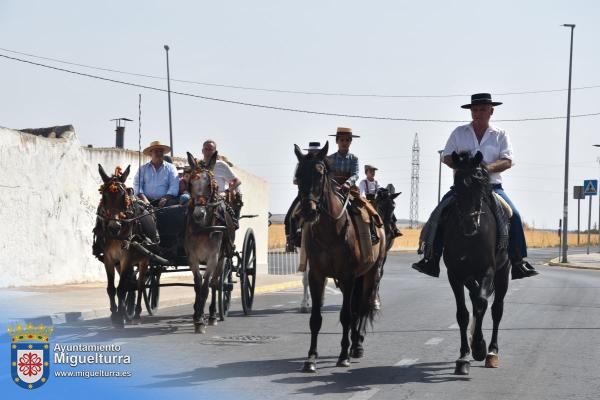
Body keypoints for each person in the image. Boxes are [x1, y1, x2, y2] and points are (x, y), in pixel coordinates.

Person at [412, 93, 538, 280]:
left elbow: (507, 161)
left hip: (491, 187)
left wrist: (485, 168)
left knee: (515, 215)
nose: (478, 113)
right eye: (475, 110)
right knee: (438, 213)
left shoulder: (500, 135)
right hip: (463, 188)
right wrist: (464, 167)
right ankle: (432, 258)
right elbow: (446, 156)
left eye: (482, 109)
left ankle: (518, 261)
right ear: (471, 112)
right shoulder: (459, 132)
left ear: (491, 111)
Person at [285, 142, 323, 251]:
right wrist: (304, 181)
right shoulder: (301, 163)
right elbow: (294, 180)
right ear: (308, 151)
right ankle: (291, 241)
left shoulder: (322, 163)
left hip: (318, 193)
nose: (314, 153)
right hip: (304, 194)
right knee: (290, 217)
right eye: (312, 151)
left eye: (316, 151)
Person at [200, 139, 243, 223]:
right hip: (203, 199)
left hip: (219, 197)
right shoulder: (199, 166)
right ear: (202, 151)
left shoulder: (220, 165)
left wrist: (226, 192)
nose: (208, 152)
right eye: (206, 149)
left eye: (210, 149)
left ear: (215, 152)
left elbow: (237, 181)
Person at [133, 140, 180, 207]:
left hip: (165, 202)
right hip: (145, 201)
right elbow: (137, 185)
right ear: (151, 153)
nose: (159, 153)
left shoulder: (171, 168)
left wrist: (165, 198)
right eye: (156, 151)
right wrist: (144, 200)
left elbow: (174, 186)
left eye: (161, 151)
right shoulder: (142, 169)